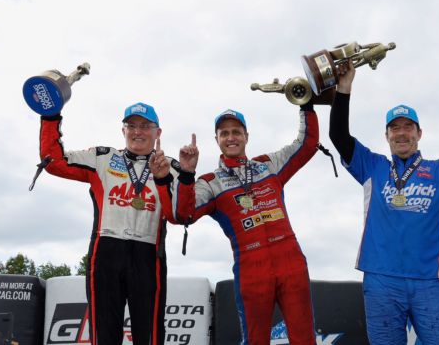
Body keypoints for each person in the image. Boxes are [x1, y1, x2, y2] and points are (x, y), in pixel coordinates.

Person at [328, 60, 439, 344]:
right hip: (381, 280)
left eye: (408, 127)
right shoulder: (372, 167)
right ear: (386, 136)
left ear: (419, 133)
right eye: (394, 128)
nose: (401, 133)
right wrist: (344, 88)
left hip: (428, 283)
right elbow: (338, 136)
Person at [152, 104, 319, 344]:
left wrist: (306, 104)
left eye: (236, 132)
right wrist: (187, 174)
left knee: (305, 339)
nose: (231, 137)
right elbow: (181, 215)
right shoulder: (210, 182)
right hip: (251, 267)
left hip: (291, 261)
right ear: (217, 140)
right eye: (224, 133)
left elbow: (307, 143)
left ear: (246, 136)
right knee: (255, 340)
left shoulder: (268, 164)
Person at [38, 102, 184, 345]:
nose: (138, 131)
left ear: (158, 132)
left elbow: (184, 212)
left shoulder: (171, 168)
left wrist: (185, 174)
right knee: (104, 335)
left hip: (148, 254)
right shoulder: (102, 158)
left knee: (149, 336)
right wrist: (51, 116)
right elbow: (53, 161)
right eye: (132, 126)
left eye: (146, 126)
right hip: (106, 250)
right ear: (123, 131)